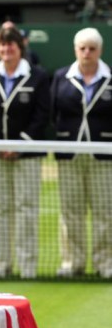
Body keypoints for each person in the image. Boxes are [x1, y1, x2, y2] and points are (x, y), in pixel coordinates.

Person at [0, 25, 50, 278]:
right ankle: (1, 264)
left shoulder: (38, 76)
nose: (7, 49)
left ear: (20, 48)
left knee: (26, 208)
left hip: (27, 154)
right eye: (3, 45)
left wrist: (20, 144)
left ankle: (27, 266)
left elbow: (42, 115)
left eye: (12, 45)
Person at [51, 27, 112, 278]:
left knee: (105, 211)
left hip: (103, 154)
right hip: (70, 153)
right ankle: (72, 263)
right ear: (76, 50)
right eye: (82, 48)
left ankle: (105, 263)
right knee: (70, 212)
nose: (87, 53)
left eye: (92, 48)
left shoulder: (110, 77)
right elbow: (54, 114)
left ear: (100, 51)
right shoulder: (61, 76)